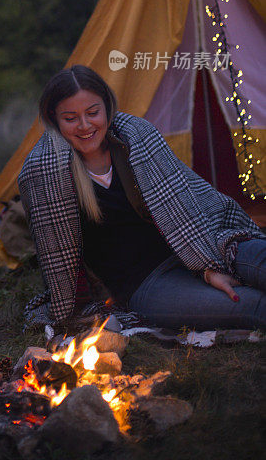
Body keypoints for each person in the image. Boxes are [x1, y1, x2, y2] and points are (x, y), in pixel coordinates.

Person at [17, 65, 266, 334]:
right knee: (253, 305)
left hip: (206, 243)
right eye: (71, 118)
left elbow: (186, 202)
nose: (85, 126)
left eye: (93, 113)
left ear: (107, 107)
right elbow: (59, 261)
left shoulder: (135, 136)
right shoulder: (45, 173)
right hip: (146, 282)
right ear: (54, 118)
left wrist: (207, 266)